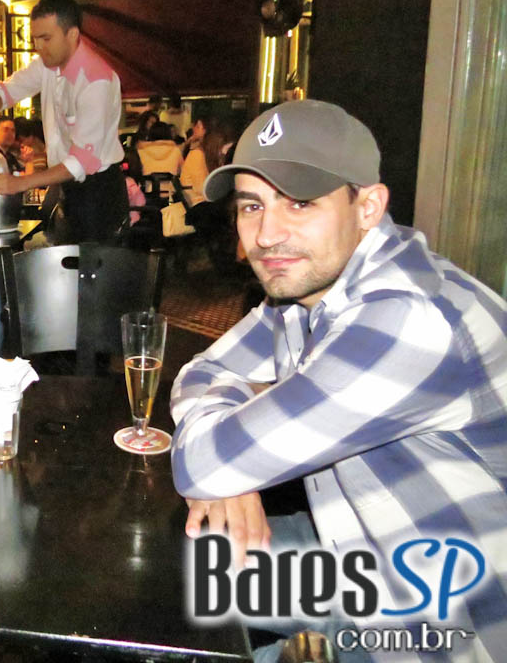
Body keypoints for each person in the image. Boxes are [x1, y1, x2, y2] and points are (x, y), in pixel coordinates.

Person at [169, 99, 507, 661]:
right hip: (358, 556)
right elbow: (202, 371)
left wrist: (227, 461)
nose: (267, 235)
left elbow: (203, 462)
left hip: (443, 631)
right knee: (164, 564)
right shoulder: (307, 288)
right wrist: (235, 470)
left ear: (368, 206)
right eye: (252, 205)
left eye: (300, 203)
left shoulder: (407, 319)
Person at [0, 0, 128, 243]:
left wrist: (21, 183)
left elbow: (81, 162)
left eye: (46, 38)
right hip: (67, 187)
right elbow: (4, 91)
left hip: (99, 193)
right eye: (35, 39)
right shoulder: (46, 64)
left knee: (93, 268)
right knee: (62, 261)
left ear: (72, 34)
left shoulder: (95, 80)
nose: (39, 47)